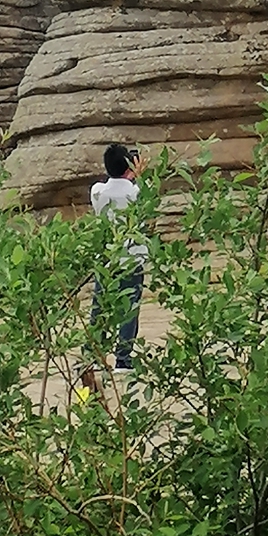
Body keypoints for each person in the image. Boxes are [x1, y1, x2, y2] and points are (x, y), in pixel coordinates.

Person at [89, 142, 146, 372]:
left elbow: (107, 183)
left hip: (107, 259)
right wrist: (137, 175)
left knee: (100, 308)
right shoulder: (136, 192)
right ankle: (123, 359)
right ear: (130, 165)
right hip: (131, 259)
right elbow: (144, 194)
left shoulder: (97, 191)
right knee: (129, 308)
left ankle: (94, 356)